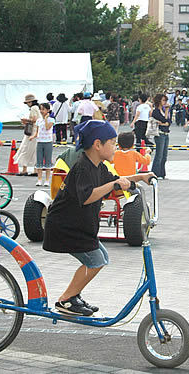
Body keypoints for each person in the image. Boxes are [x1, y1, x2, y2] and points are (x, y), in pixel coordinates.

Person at [42, 120, 153, 316]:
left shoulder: (98, 167)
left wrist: (140, 177)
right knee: (95, 261)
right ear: (97, 144)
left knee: (101, 258)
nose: (115, 147)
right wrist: (114, 186)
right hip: (65, 227)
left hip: (79, 227)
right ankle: (65, 300)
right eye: (112, 142)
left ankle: (73, 296)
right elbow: (87, 197)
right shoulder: (82, 167)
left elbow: (115, 180)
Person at [14, 94, 41, 176]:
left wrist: (26, 120)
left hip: (31, 132)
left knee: (25, 149)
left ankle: (24, 169)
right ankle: (35, 170)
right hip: (37, 131)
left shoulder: (33, 108)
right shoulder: (38, 108)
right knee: (34, 151)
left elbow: (34, 119)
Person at [30, 103, 55, 187]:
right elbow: (37, 132)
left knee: (48, 162)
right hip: (40, 142)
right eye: (40, 109)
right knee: (39, 162)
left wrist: (46, 118)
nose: (41, 111)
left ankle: (47, 180)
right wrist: (32, 136)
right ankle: (39, 179)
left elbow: (48, 127)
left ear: (48, 110)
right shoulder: (38, 121)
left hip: (48, 142)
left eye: (43, 109)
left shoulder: (51, 120)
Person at [151, 93, 171, 179]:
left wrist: (165, 122)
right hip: (159, 133)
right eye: (163, 100)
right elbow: (164, 120)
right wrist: (165, 121)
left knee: (164, 155)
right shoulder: (156, 111)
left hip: (166, 134)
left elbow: (168, 122)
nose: (165, 102)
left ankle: (162, 173)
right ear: (159, 101)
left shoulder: (163, 111)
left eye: (165, 100)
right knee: (159, 154)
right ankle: (155, 173)